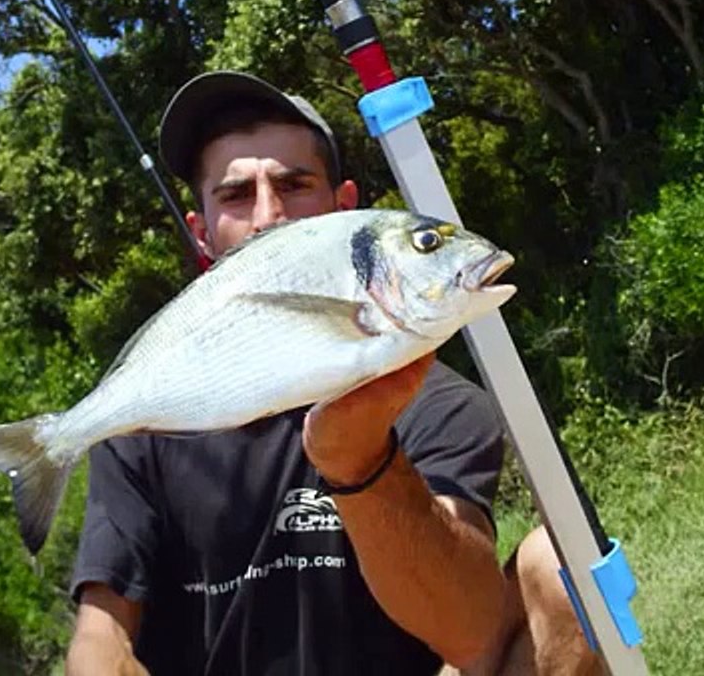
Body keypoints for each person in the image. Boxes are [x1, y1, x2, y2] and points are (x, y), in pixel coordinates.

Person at [66, 71, 600, 676]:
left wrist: (358, 460)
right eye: (236, 195)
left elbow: (472, 634)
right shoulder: (145, 420)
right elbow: (99, 636)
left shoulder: (441, 405)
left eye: (294, 185)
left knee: (566, 564)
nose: (270, 216)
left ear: (345, 207)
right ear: (202, 233)